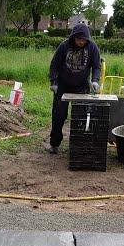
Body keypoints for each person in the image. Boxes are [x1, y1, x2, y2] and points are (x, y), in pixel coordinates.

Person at [46, 23, 101, 154]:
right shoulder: (64, 46)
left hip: (82, 86)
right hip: (63, 85)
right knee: (59, 115)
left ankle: (78, 144)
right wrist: (54, 82)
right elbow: (54, 65)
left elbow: (96, 66)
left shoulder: (92, 47)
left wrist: (95, 81)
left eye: (84, 40)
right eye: (79, 39)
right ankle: (54, 144)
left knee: (81, 117)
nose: (81, 42)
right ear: (74, 37)